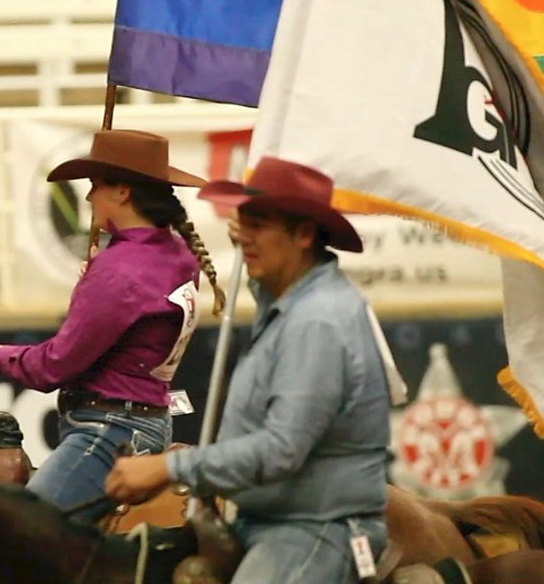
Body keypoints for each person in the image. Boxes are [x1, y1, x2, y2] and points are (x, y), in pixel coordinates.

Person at [105, 155, 393, 583]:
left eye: (260, 225)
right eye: (243, 224)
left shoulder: (318, 321)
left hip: (315, 529)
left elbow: (280, 450)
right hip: (273, 521)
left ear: (304, 235)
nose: (244, 239)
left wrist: (167, 469)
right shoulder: (295, 302)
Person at [0, 129, 225, 521]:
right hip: (150, 422)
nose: (90, 196)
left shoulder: (119, 270)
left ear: (123, 192)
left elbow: (54, 366)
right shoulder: (177, 255)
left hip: (107, 432)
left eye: (96, 185)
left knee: (27, 532)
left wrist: (2, 357)